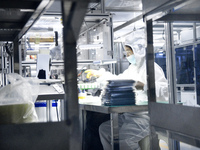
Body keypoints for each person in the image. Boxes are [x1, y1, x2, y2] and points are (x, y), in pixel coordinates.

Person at [86, 29, 168, 150]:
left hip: (146, 116)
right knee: (104, 130)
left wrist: (144, 86)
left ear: (138, 50)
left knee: (125, 140)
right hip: (130, 115)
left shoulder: (152, 68)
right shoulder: (132, 68)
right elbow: (119, 80)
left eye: (129, 52)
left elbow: (165, 91)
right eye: (127, 53)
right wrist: (100, 74)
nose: (128, 56)